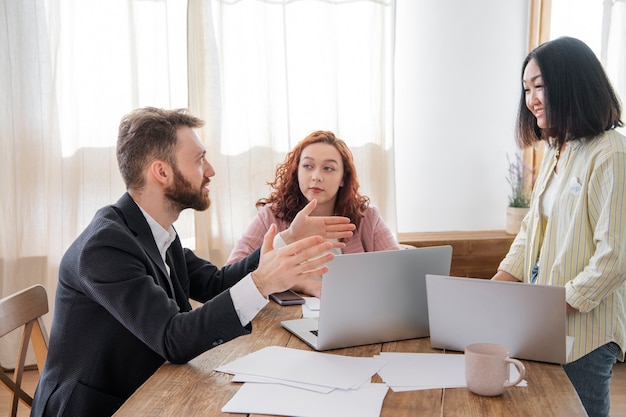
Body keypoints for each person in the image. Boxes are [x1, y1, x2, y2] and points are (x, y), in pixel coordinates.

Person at [31, 107, 355, 417]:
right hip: (103, 407)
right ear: (162, 172)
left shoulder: (155, 230)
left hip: (152, 390)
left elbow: (215, 283)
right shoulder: (105, 246)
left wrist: (288, 238)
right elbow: (173, 338)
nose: (210, 170)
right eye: (200, 159)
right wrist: (262, 283)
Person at [493, 37, 626, 417]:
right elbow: (530, 232)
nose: (531, 99)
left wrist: (553, 307)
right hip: (543, 324)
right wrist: (493, 291)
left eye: (540, 87)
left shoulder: (612, 153)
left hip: (584, 332)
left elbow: (614, 257)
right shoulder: (556, 149)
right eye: (526, 89)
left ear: (572, 84)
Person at [226, 130, 400, 297]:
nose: (316, 176)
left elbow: (399, 272)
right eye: (308, 166)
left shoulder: (366, 217)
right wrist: (306, 284)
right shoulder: (271, 216)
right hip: (284, 319)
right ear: (297, 172)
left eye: (328, 168)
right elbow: (232, 275)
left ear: (343, 179)